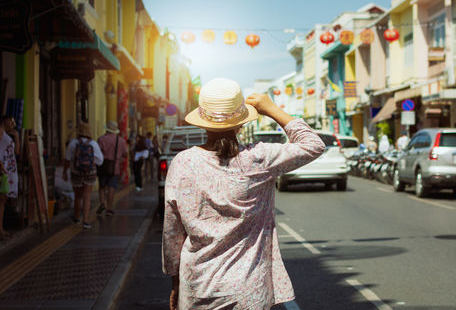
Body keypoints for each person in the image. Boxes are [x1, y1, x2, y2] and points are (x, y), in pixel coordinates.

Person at [162, 78, 325, 310]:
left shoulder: (182, 162)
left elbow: (172, 232)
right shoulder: (258, 159)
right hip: (248, 288)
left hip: (197, 285)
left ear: (203, 123)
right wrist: (272, 109)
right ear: (241, 124)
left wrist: (175, 282)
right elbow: (313, 144)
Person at [63, 123, 103, 229]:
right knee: (87, 197)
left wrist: (64, 172)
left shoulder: (73, 143)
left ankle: (76, 217)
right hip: (89, 173)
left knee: (77, 196)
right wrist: (92, 161)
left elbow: (67, 159)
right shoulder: (93, 144)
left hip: (76, 172)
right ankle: (85, 221)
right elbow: (100, 161)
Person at [96, 121, 128, 217]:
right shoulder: (121, 140)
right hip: (115, 167)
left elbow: (98, 153)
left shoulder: (101, 139)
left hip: (102, 166)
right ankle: (109, 208)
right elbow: (125, 154)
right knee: (111, 187)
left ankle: (102, 203)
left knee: (102, 187)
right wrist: (119, 158)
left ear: (106, 129)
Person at [0, 119, 17, 240]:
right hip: (4, 173)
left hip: (6, 173)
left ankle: (0, 228)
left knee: (2, 201)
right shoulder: (3, 139)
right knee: (1, 201)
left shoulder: (5, 138)